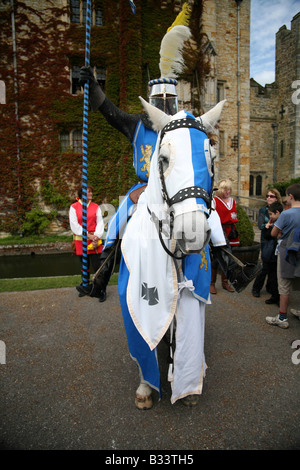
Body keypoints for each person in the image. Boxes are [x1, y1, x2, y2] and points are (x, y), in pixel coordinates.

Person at [266, 183, 300, 329]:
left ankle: (282, 317)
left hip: (287, 250)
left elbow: (274, 233)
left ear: (290, 197)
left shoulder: (286, 214)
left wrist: (279, 232)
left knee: (284, 284)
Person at [69, 185, 105, 300]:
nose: (91, 193)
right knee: (84, 267)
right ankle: (86, 287)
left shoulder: (96, 207)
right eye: (88, 192)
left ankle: (101, 290)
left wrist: (96, 237)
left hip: (94, 241)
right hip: (81, 242)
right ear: (82, 194)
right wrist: (88, 235)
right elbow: (74, 225)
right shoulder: (74, 207)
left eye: (91, 191)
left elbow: (100, 223)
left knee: (97, 267)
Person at [252, 188, 282, 300]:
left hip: (277, 240)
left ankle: (271, 287)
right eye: (267, 196)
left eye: (271, 196)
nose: (269, 198)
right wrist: (268, 225)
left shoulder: (280, 210)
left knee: (274, 266)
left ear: (277, 198)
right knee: (264, 266)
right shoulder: (263, 210)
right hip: (267, 240)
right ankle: (256, 288)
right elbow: (260, 225)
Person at [210, 179, 239, 294]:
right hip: (219, 230)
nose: (227, 192)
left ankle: (225, 282)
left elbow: (234, 216)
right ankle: (212, 283)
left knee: (228, 257)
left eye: (229, 189)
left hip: (230, 230)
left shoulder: (232, 201)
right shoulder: (215, 200)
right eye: (225, 189)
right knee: (216, 258)